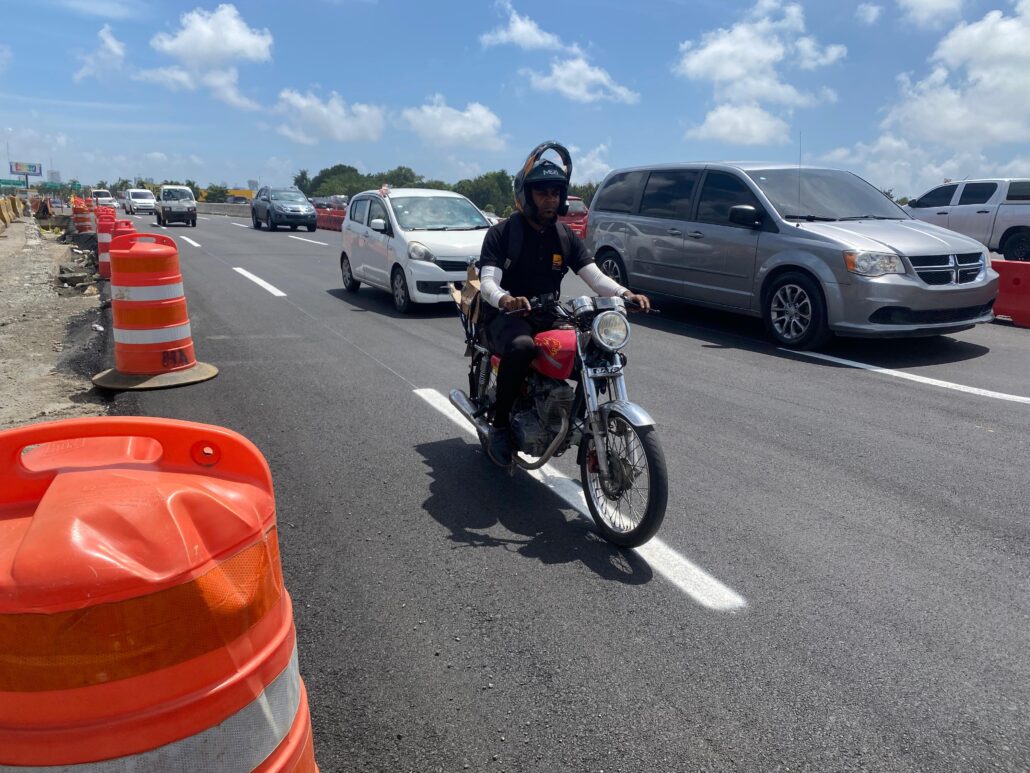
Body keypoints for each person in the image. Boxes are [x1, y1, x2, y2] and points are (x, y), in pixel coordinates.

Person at [478, 141, 651, 467]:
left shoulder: (564, 236)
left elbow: (596, 277)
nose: (550, 199)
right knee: (522, 347)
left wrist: (626, 294)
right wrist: (505, 299)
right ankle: (500, 426)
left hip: (548, 313)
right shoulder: (503, 234)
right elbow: (487, 281)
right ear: (525, 195)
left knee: (594, 352)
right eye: (542, 192)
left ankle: (574, 423)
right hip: (506, 315)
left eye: (555, 192)